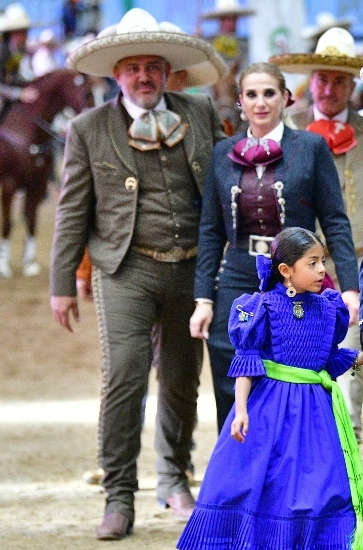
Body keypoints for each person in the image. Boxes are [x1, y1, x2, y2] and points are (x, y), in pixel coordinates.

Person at [48, 8, 227, 539]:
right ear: (117, 75)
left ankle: (173, 477)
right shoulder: (87, 128)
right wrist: (62, 283)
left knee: (178, 379)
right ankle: (118, 495)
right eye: (133, 68)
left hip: (191, 268)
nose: (144, 76)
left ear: (168, 71)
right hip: (122, 269)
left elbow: (223, 189)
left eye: (154, 66)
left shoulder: (199, 113)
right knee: (124, 377)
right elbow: (71, 210)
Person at [179, 227, 363, 550]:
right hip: (271, 412)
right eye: (312, 263)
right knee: (264, 483)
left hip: (317, 416)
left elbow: (329, 360)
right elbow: (247, 364)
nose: (322, 270)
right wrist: (240, 411)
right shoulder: (261, 307)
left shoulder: (327, 308)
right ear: (285, 270)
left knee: (320, 487)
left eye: (323, 261)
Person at [189, 61, 361, 434]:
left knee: (290, 372)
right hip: (236, 272)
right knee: (230, 364)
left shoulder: (311, 147)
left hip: (295, 279)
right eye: (252, 94)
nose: (261, 102)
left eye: (269, 93)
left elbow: (335, 219)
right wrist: (203, 298)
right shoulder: (223, 152)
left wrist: (349, 287)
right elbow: (209, 230)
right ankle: (236, 467)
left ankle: (284, 470)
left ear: (285, 98)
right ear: (240, 101)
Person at [271, 27, 363, 441]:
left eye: (339, 80)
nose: (329, 88)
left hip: (355, 258)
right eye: (322, 78)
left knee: (352, 352)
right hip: (298, 263)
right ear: (311, 81)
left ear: (351, 84)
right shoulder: (287, 130)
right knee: (298, 349)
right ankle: (305, 439)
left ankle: (349, 437)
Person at [200, 0, 256, 133]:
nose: (229, 23)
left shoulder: (244, 44)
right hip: (213, 90)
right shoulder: (209, 43)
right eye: (225, 19)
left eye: (233, 19)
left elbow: (246, 67)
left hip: (237, 89)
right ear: (220, 21)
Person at [0, 4, 39, 107]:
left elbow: (14, 75)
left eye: (26, 31)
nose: (26, 36)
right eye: (22, 32)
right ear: (11, 33)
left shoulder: (20, 50)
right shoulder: (2, 51)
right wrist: (19, 93)